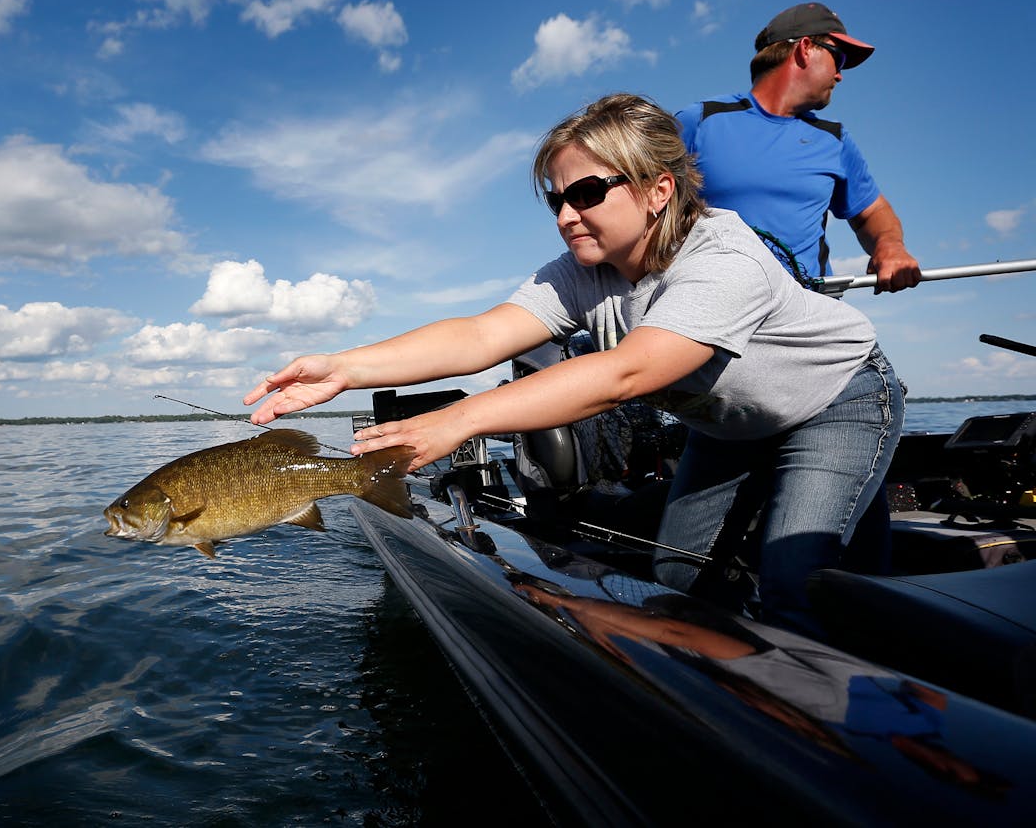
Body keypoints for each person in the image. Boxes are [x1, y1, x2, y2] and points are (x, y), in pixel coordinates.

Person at [244, 93, 904, 637]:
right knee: (679, 578)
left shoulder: (721, 259)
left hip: (835, 402)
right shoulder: (582, 272)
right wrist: (344, 368)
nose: (565, 216)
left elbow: (627, 374)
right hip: (730, 425)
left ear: (658, 189)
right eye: (556, 199)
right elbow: (481, 336)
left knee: (799, 587)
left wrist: (457, 421)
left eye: (586, 192)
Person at [676, 2, 921, 293]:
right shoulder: (700, 121)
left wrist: (890, 246)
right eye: (838, 59)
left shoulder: (835, 139)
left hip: (809, 311)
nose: (840, 75)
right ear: (805, 48)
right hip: (712, 310)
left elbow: (872, 211)